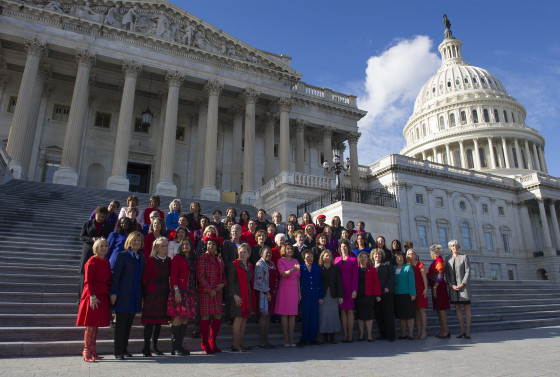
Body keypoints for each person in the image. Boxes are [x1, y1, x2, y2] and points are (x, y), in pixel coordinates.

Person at [109, 231, 145, 360]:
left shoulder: (141, 257)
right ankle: (118, 351)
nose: (137, 243)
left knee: (129, 324)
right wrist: (113, 292)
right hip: (123, 294)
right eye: (134, 240)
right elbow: (116, 275)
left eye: (139, 241)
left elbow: (141, 278)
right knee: (120, 325)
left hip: (135, 295)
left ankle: (124, 349)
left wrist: (142, 296)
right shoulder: (123, 256)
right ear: (129, 242)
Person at [76, 238, 111, 362]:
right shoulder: (91, 261)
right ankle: (86, 351)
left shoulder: (106, 261)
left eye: (106, 245)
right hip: (93, 296)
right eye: (101, 246)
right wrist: (92, 296)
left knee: (96, 326)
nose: (104, 248)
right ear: (96, 247)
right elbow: (88, 281)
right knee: (90, 325)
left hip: (102, 295)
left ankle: (93, 350)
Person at [141, 237, 171, 357]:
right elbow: (145, 279)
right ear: (156, 247)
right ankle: (146, 348)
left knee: (158, 322)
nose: (165, 248)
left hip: (163, 294)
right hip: (152, 294)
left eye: (166, 245)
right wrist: (144, 294)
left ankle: (155, 346)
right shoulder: (152, 260)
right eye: (162, 246)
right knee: (149, 322)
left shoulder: (169, 260)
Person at [197, 233, 226, 354]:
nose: (211, 246)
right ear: (206, 245)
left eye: (213, 244)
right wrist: (210, 289)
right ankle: (204, 343)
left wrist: (223, 284)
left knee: (217, 316)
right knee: (205, 317)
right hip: (206, 292)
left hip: (218, 292)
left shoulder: (220, 259)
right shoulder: (203, 257)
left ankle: (212, 342)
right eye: (209, 244)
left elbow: (223, 275)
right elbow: (201, 276)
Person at [168, 238, 196, 356]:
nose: (185, 246)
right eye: (183, 244)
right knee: (178, 318)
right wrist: (176, 290)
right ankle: (175, 346)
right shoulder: (177, 258)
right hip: (180, 291)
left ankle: (179, 345)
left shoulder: (193, 260)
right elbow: (173, 275)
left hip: (190, 292)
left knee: (185, 318)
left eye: (188, 244)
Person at [79, 206, 113, 298]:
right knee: (84, 272)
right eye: (99, 216)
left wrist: (102, 240)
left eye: (103, 217)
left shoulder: (108, 226)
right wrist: (92, 239)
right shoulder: (88, 223)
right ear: (95, 215)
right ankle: (82, 295)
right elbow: (82, 237)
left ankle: (94, 294)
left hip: (100, 251)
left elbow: (109, 238)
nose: (100, 218)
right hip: (88, 249)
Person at [228, 243, 255, 352]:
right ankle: (235, 344)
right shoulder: (234, 265)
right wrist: (234, 295)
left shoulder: (250, 265)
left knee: (244, 319)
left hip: (247, 295)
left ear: (248, 254)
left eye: (244, 252)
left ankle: (240, 343)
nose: (242, 254)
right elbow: (230, 281)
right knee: (238, 318)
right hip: (237, 295)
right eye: (240, 252)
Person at [275, 243, 300, 347]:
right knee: (285, 314)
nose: (289, 250)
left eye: (291, 248)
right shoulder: (280, 260)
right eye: (287, 248)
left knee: (293, 314)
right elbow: (283, 274)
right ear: (284, 250)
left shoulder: (295, 261)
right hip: (285, 287)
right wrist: (292, 270)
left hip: (294, 288)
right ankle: (285, 337)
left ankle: (291, 337)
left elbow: (298, 277)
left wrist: (299, 292)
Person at [446, 240, 472, 339]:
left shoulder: (464, 257)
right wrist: (451, 284)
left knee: (466, 308)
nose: (455, 247)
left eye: (456, 245)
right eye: (453, 246)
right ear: (450, 248)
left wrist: (463, 283)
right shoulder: (448, 259)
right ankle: (462, 330)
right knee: (458, 309)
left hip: (464, 287)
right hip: (453, 287)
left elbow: (468, 271)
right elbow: (447, 273)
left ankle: (468, 330)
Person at [254, 246, 279, 349]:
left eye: (270, 253)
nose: (269, 254)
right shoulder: (260, 264)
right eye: (266, 253)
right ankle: (262, 341)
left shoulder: (272, 264)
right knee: (263, 316)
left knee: (268, 316)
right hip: (264, 294)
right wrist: (267, 292)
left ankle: (266, 340)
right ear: (261, 254)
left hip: (271, 293)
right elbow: (259, 281)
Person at [334, 239, 358, 343]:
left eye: (345, 247)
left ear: (348, 248)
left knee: (350, 311)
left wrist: (354, 290)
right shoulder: (336, 260)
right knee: (342, 311)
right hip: (340, 289)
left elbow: (356, 276)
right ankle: (345, 335)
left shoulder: (353, 259)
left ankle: (350, 335)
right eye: (341, 247)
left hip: (350, 288)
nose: (343, 248)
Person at [298, 249, 323, 346]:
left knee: (314, 318)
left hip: (315, 295)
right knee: (306, 317)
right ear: (304, 258)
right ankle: (304, 338)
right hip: (305, 295)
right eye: (308, 257)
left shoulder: (317, 267)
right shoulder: (300, 267)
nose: (310, 258)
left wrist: (320, 297)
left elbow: (320, 282)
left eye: (311, 256)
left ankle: (313, 338)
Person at [355, 251, 381, 342]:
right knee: (360, 316)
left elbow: (376, 283)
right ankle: (361, 334)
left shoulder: (372, 269)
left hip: (369, 295)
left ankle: (369, 334)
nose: (363, 259)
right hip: (358, 296)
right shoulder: (356, 269)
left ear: (368, 259)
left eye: (365, 257)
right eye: (361, 257)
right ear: (359, 259)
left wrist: (378, 295)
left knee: (368, 315)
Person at [318, 249, 343, 344]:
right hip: (323, 295)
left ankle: (332, 337)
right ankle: (325, 337)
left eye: (329, 256)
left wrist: (341, 296)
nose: (328, 257)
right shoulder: (319, 268)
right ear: (322, 257)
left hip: (333, 295)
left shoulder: (335, 268)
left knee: (333, 315)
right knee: (323, 315)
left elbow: (339, 282)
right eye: (326, 256)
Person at [372, 248, 395, 341]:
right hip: (375, 294)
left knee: (388, 314)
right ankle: (382, 334)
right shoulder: (371, 266)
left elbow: (392, 277)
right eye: (376, 254)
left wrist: (388, 287)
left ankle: (391, 335)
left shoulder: (387, 264)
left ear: (382, 256)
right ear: (373, 256)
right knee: (378, 315)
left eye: (379, 254)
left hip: (386, 293)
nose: (377, 256)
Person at [428, 244, 450, 338]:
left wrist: (434, 288)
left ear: (434, 253)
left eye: (431, 253)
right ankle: (443, 329)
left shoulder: (439, 260)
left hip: (438, 288)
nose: (430, 254)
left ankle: (445, 330)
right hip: (436, 287)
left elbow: (440, 275)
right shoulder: (436, 261)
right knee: (438, 309)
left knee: (441, 309)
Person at [394, 251, 416, 340]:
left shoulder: (408, 267)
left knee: (409, 315)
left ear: (403, 259)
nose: (399, 259)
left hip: (407, 294)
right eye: (397, 258)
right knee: (401, 316)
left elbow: (411, 281)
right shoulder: (393, 268)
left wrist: (413, 294)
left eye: (401, 257)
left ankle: (410, 334)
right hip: (397, 294)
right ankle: (404, 334)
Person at [406, 248, 428, 339]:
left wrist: (426, 289)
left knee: (422, 310)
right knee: (416, 312)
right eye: (409, 254)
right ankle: (418, 331)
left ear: (416, 255)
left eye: (413, 254)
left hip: (421, 289)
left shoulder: (420, 264)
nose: (411, 255)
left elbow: (424, 278)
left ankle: (424, 331)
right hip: (412, 290)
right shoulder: (407, 265)